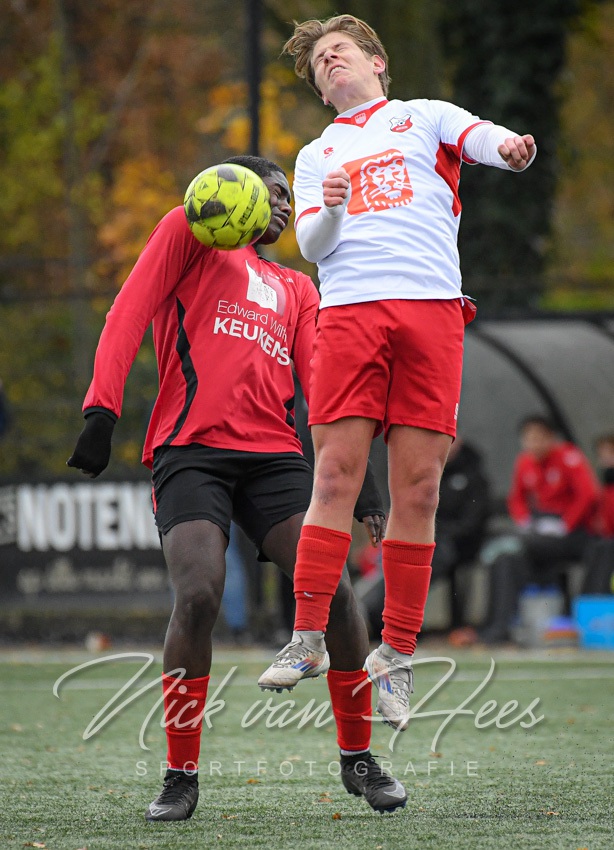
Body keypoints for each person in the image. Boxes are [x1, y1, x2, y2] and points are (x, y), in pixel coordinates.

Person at [67, 155, 407, 821]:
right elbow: (128, 310)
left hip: (275, 460)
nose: (284, 205)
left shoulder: (298, 289)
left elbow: (324, 389)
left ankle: (359, 758)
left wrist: (362, 478)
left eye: (290, 199)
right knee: (198, 595)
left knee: (335, 593)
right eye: (274, 191)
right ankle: (180, 776)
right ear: (238, 192)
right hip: (191, 453)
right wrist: (101, 411)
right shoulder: (189, 234)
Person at [258, 14, 536, 731]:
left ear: (376, 61)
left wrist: (510, 149)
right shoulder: (317, 153)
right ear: (321, 92)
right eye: (319, 63)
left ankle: (397, 654)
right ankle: (308, 636)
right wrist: (333, 210)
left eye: (339, 51)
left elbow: (482, 138)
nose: (329, 63)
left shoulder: (425, 116)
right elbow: (313, 244)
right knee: (334, 477)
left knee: (420, 487)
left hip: (431, 311)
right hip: (350, 312)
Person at [476, 415, 599, 643]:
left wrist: (565, 524)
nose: (534, 444)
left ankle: (509, 543)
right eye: (529, 439)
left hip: (572, 533)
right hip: (538, 532)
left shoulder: (568, 457)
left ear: (551, 437)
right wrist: (524, 521)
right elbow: (517, 498)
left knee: (512, 545)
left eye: (539, 438)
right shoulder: (524, 462)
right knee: (505, 560)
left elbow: (587, 495)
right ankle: (498, 627)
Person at [581, 433, 614, 595]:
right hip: (604, 540)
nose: (607, 459)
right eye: (602, 455)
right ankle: (590, 600)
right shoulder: (604, 490)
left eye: (611, 453)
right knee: (597, 547)